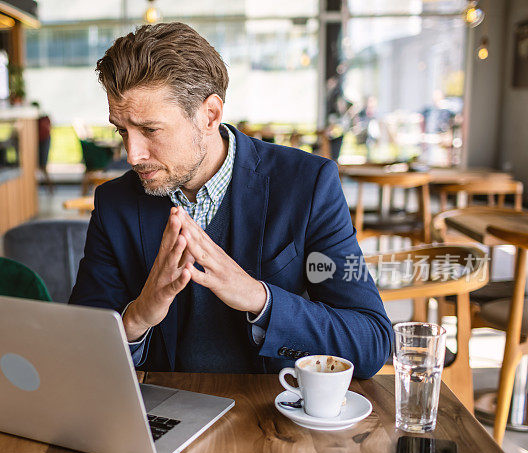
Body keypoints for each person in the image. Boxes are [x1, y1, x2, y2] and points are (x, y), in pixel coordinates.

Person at [69, 23, 392, 378]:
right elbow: (81, 351)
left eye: (149, 130)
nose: (132, 154)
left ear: (210, 114)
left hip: (274, 418)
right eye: (122, 131)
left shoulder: (308, 185)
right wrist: (138, 317)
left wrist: (259, 298)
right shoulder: (115, 203)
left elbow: (371, 340)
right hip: (161, 420)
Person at [32, 101, 53, 194]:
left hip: (44, 142)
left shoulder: (41, 119)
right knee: (41, 167)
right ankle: (49, 188)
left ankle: (50, 188)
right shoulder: (42, 118)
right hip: (43, 142)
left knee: (43, 166)